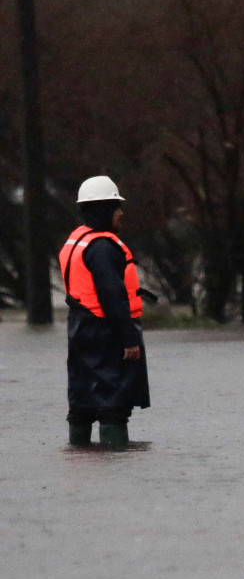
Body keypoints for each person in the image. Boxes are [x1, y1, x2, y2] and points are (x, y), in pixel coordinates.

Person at [60, 175, 150, 448]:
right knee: (114, 402)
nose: (121, 213)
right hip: (106, 331)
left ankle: (80, 455)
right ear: (102, 210)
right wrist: (130, 339)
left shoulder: (78, 241)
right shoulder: (102, 247)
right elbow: (112, 297)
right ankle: (117, 464)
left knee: (82, 401)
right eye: (116, 207)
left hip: (80, 328)